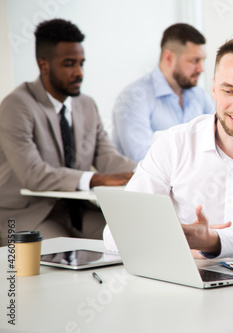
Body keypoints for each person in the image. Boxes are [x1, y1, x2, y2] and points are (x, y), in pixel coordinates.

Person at [103, 37, 233, 258]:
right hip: (185, 281)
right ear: (213, 88)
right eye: (228, 91)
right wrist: (195, 248)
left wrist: (210, 242)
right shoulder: (174, 144)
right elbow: (116, 233)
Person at [0, 19, 137, 246]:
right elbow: (34, 174)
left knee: (128, 239)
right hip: (28, 215)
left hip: (75, 211)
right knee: (60, 253)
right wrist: (96, 179)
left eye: (81, 63)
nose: (79, 73)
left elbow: (108, 158)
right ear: (43, 65)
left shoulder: (86, 105)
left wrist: (146, 171)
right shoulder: (17, 106)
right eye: (69, 64)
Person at [112, 23, 214, 162]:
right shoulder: (133, 98)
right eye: (195, 61)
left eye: (202, 61)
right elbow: (144, 160)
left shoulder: (199, 95)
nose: (201, 68)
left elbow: (218, 142)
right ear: (169, 58)